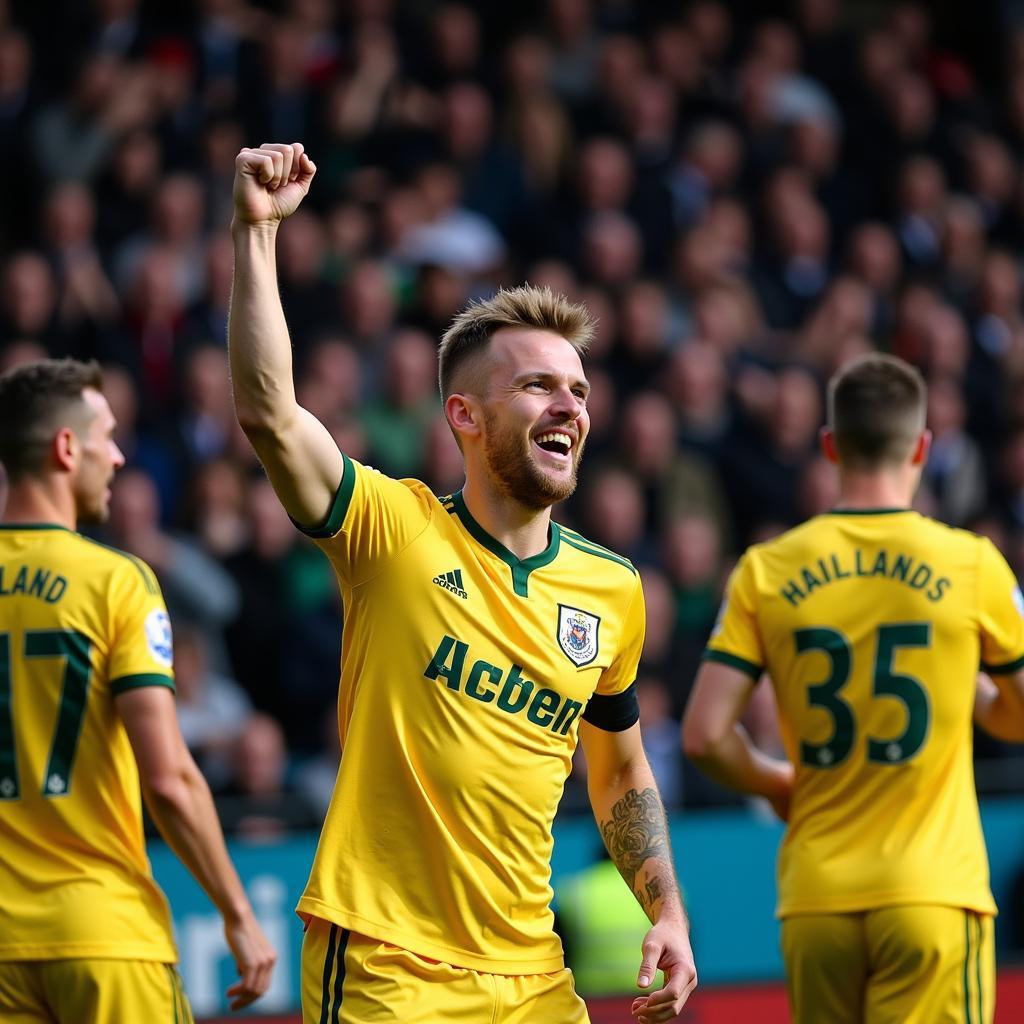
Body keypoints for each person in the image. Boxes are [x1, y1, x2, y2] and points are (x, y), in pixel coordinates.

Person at [228, 141, 697, 1024]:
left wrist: (664, 907)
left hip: (532, 975)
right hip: (387, 965)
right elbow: (269, 412)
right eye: (538, 387)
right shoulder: (393, 530)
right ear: (465, 417)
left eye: (580, 390)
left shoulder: (612, 590)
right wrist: (256, 234)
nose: (571, 407)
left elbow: (622, 769)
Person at [683, 353, 1024, 1024]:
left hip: (817, 898)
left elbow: (703, 736)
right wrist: (980, 698)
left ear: (831, 446)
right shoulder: (970, 563)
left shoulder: (766, 570)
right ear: (922, 447)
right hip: (932, 893)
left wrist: (778, 783)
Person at [0, 359, 276, 1022]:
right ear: (67, 449)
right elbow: (170, 778)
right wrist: (238, 913)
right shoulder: (115, 583)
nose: (119, 456)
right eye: (107, 436)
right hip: (104, 934)